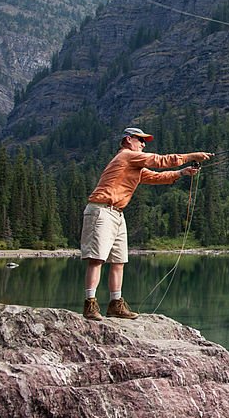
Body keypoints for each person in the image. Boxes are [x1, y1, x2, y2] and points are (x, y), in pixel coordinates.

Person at [81, 126, 212, 321]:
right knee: (97, 259)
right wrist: (192, 155)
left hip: (117, 213)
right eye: (139, 140)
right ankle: (90, 304)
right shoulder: (126, 156)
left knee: (118, 261)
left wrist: (182, 173)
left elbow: (157, 177)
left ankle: (115, 305)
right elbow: (159, 161)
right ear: (127, 140)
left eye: (144, 141)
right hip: (101, 210)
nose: (143, 144)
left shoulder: (135, 166)